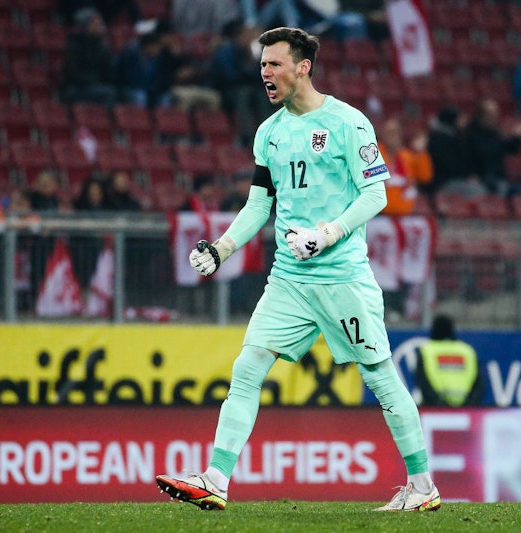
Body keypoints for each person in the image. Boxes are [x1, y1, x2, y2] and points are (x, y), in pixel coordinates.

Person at [155, 26, 440, 513]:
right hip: (289, 279)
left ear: (303, 67)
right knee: (248, 367)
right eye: (262, 64)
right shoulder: (269, 132)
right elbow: (258, 205)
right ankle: (216, 479)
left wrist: (327, 234)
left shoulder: (349, 123)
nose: (265, 72)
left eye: (274, 64)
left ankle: (422, 486)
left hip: (342, 278)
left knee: (379, 376)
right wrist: (221, 249)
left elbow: (376, 194)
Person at [465, 98, 521, 198]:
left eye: (496, 113)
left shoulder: (495, 131)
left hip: (499, 176)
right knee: (502, 189)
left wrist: (516, 137)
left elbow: (511, 150)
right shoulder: (471, 133)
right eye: (491, 114)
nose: (495, 117)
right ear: (482, 115)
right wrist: (504, 140)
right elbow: (485, 152)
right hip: (482, 176)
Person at [415, 314, 483, 407]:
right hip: (466, 409)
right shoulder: (467, 351)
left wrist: (439, 405)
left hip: (435, 408)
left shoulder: (427, 351)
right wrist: (468, 405)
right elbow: (479, 384)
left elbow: (423, 382)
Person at [60, 7, 118, 107]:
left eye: (101, 24)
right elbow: (73, 71)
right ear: (85, 26)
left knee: (120, 91)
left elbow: (107, 70)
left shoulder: (102, 45)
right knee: (109, 93)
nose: (100, 27)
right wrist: (94, 80)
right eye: (96, 24)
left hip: (97, 85)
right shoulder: (75, 44)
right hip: (77, 87)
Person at [376, 117, 433, 216]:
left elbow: (425, 177)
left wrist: (421, 153)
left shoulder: (408, 156)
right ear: (382, 134)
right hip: (378, 213)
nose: (392, 136)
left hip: (405, 212)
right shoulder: (374, 153)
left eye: (395, 132)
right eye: (389, 132)